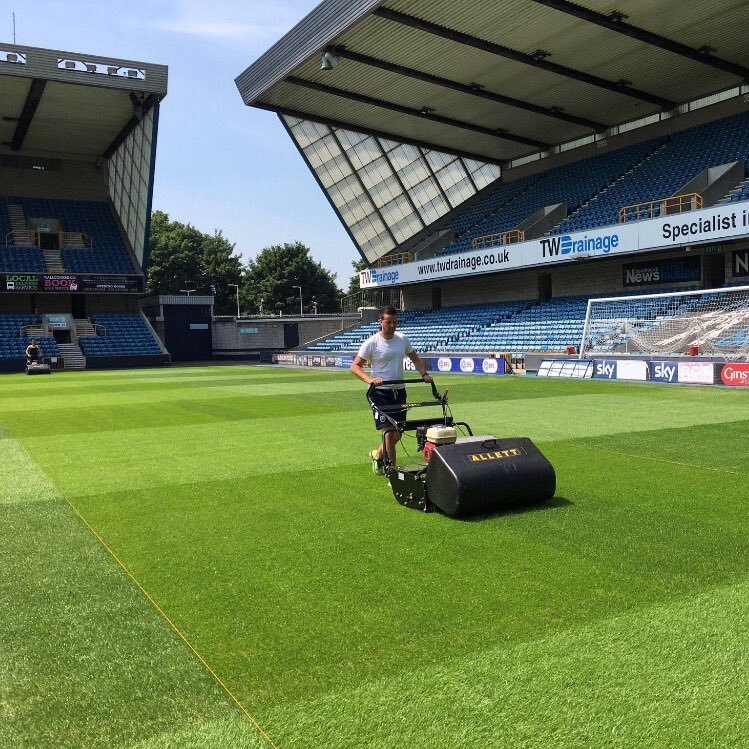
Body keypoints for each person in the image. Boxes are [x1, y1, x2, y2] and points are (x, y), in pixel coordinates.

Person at [350, 306, 433, 475]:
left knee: (398, 434)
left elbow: (415, 359)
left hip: (399, 391)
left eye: (395, 322)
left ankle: (378, 454)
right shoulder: (372, 343)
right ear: (381, 321)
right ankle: (392, 471)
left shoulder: (402, 339)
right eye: (389, 322)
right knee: (389, 433)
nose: (392, 325)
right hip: (379, 393)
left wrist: (424, 374)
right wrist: (370, 380)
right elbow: (355, 366)